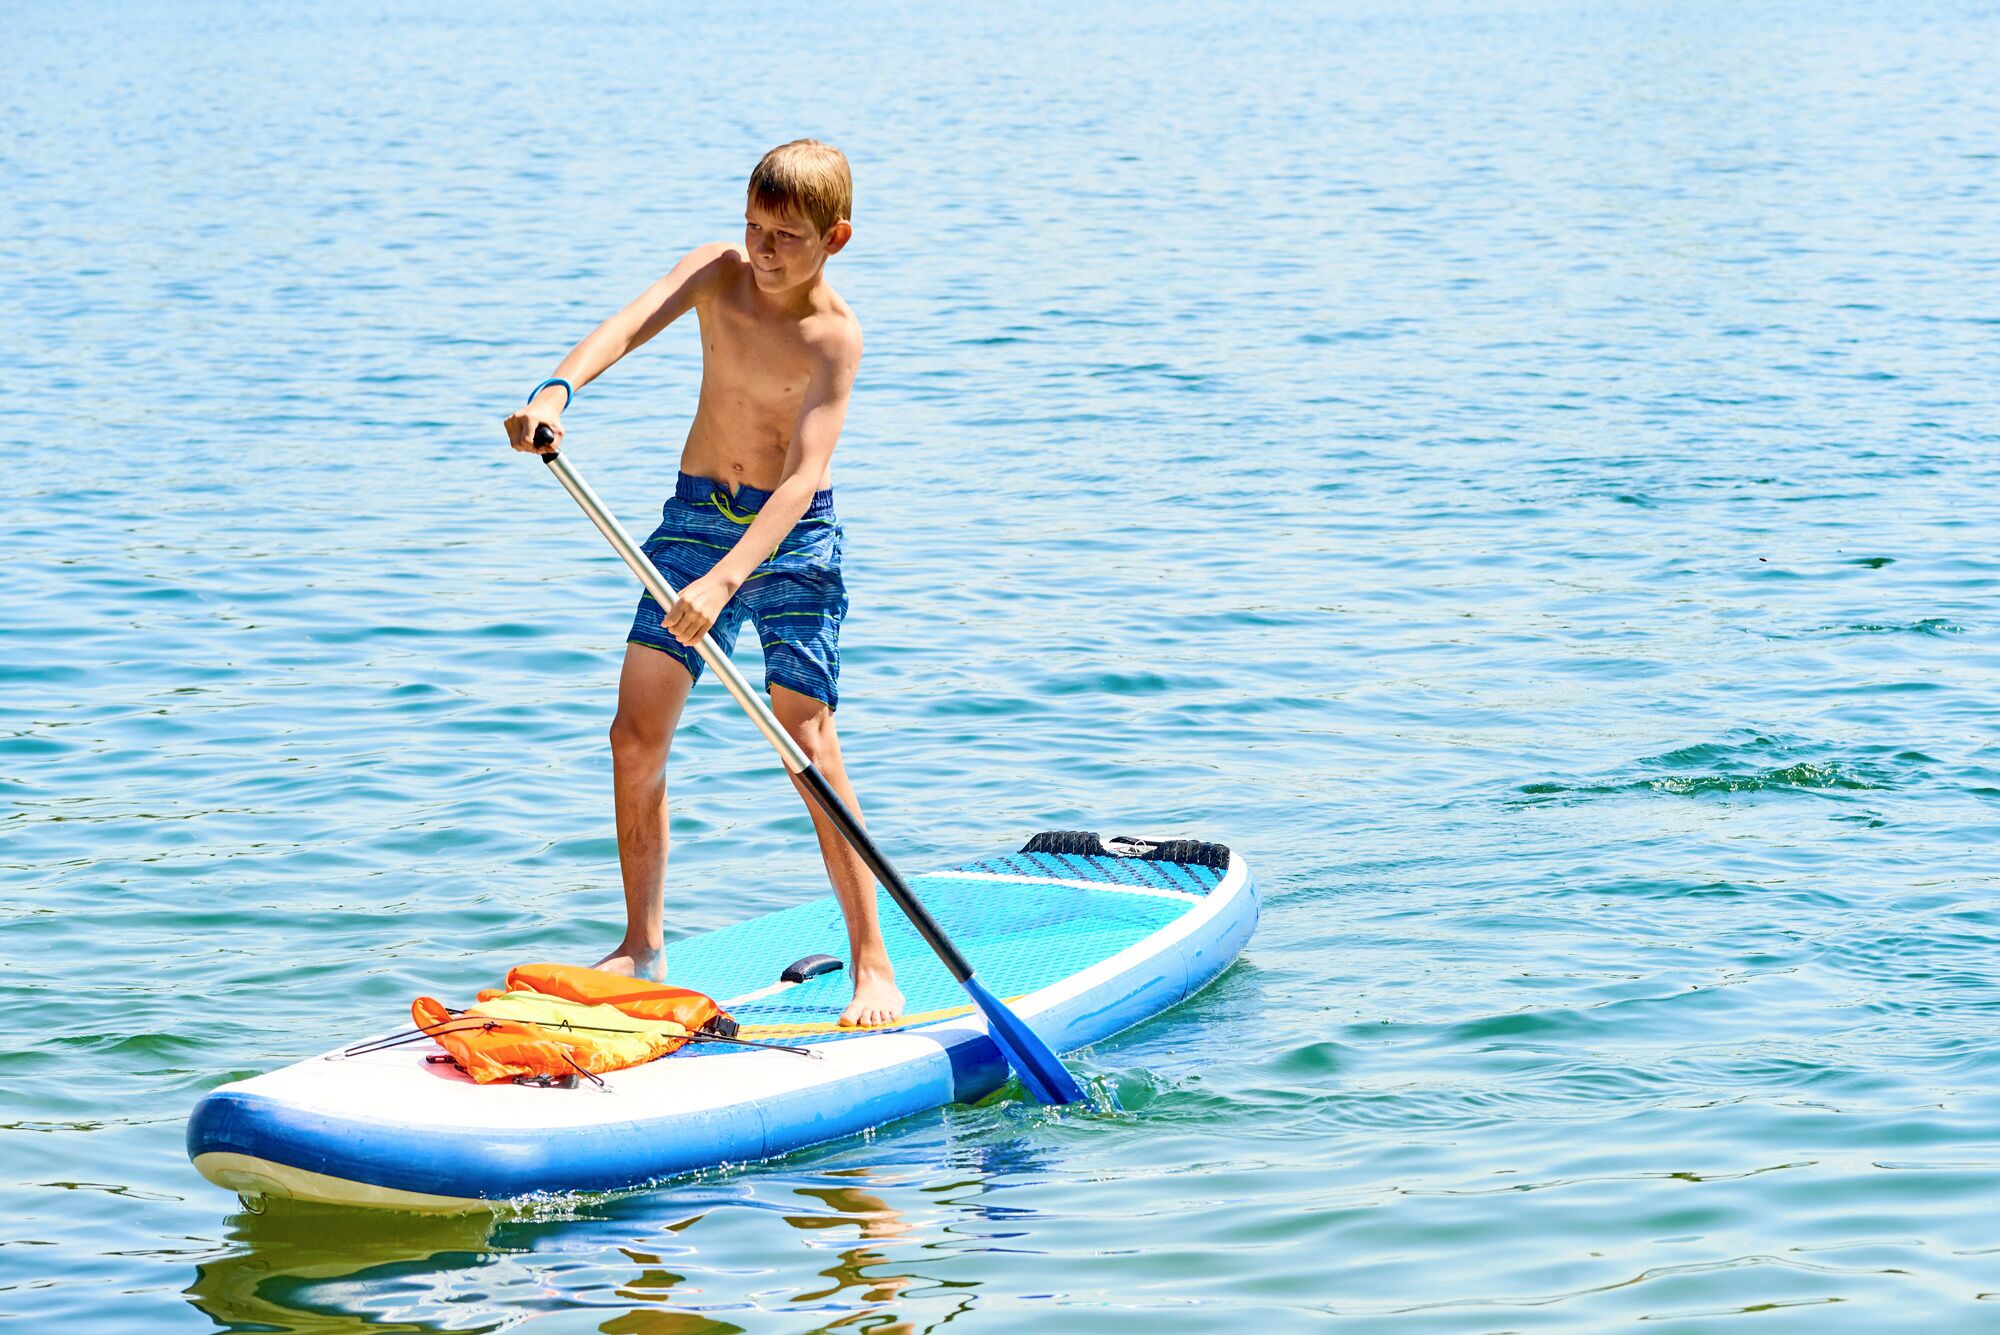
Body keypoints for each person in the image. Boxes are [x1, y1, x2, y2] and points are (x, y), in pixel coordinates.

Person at [501, 140, 903, 1028]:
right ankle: (642, 942)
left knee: (806, 745)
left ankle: (874, 961)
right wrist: (556, 392)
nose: (762, 251)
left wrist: (725, 582)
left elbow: (802, 478)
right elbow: (630, 323)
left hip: (792, 541)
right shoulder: (717, 275)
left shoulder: (835, 338)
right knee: (634, 733)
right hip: (692, 521)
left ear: (836, 238)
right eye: (754, 227)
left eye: (786, 237)